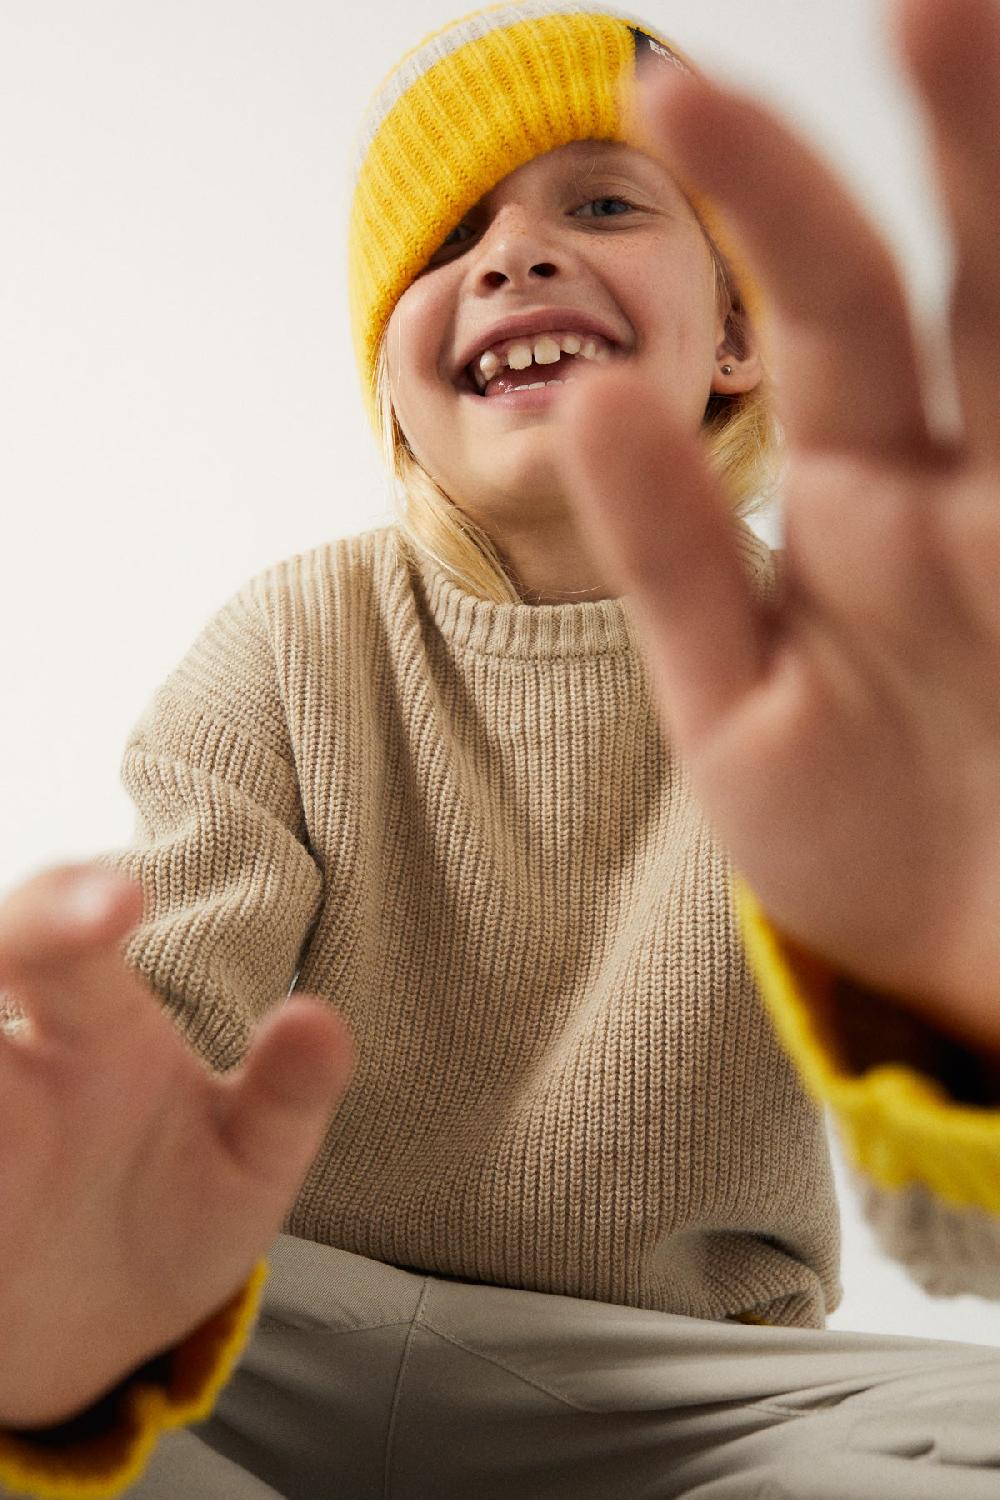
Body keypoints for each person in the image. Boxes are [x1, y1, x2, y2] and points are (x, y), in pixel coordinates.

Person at [2, 0, 1000, 1494]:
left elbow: (965, 1242)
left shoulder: (854, 683)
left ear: (736, 332)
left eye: (601, 201)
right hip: (278, 1332)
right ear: (395, 392)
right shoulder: (291, 642)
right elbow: (155, 1047)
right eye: (447, 239)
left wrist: (958, 1009)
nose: (515, 256)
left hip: (690, 1399)